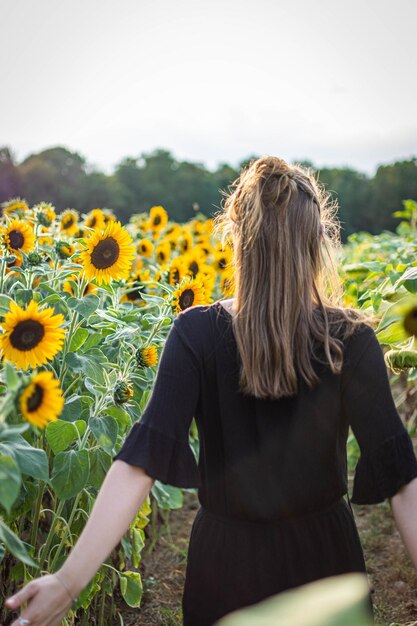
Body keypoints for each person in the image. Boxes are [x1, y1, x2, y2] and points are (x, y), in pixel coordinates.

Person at [5, 156, 417, 626]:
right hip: (325, 563)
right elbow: (400, 475)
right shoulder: (350, 338)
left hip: (225, 567)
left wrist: (68, 580)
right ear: (317, 240)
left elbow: (143, 459)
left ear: (237, 238)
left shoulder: (196, 332)